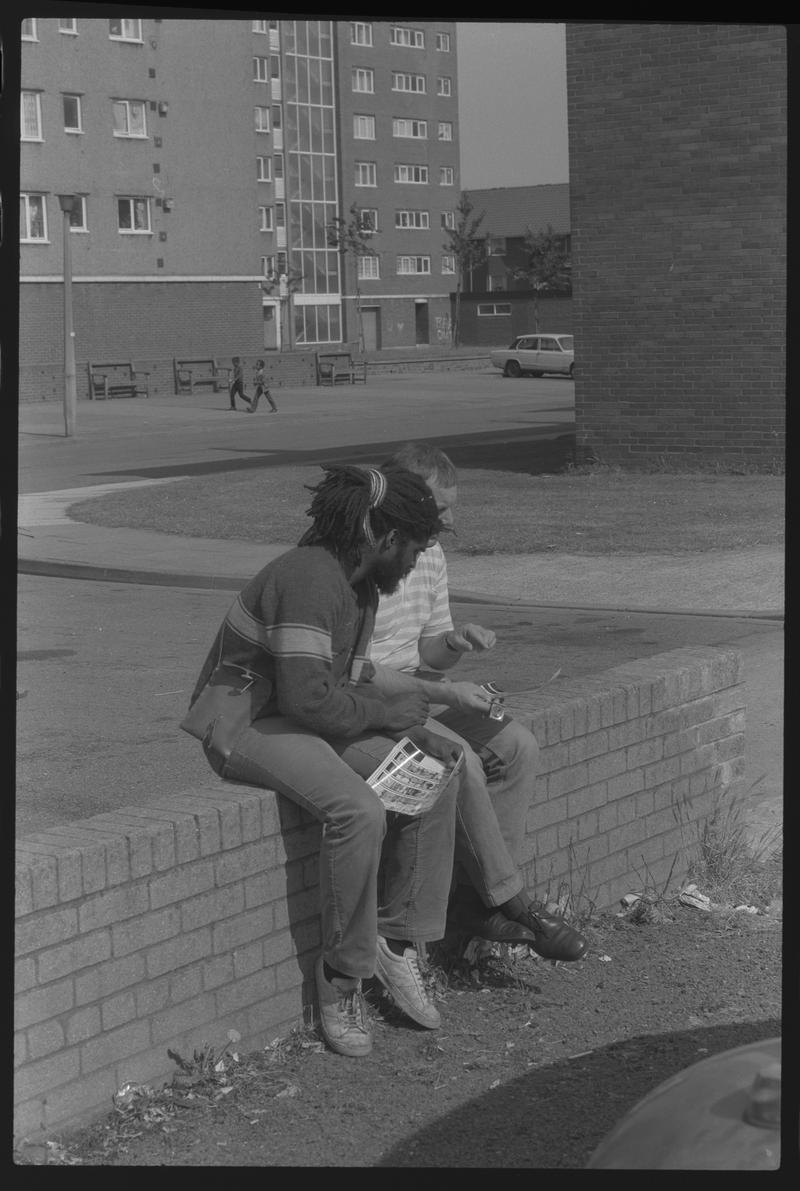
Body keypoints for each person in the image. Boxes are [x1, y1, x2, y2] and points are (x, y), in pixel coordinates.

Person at [183, 464, 463, 1058]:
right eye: (413, 547)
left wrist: (414, 713)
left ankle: (397, 942)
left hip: (294, 711)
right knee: (358, 810)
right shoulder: (312, 577)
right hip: (246, 720)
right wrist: (388, 715)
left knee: (430, 769)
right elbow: (310, 699)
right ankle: (342, 976)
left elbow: (339, 678)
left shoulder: (358, 581)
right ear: (382, 536)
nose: (415, 562)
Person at [371, 442, 587, 963]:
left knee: (517, 745)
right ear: (407, 501)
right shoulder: (367, 558)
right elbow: (354, 669)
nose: (451, 517)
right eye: (441, 506)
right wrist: (445, 692)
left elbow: (429, 652)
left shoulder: (431, 554)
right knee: (461, 759)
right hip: (375, 703)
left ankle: (473, 902)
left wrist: (456, 641)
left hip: (420, 691)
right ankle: (512, 903)